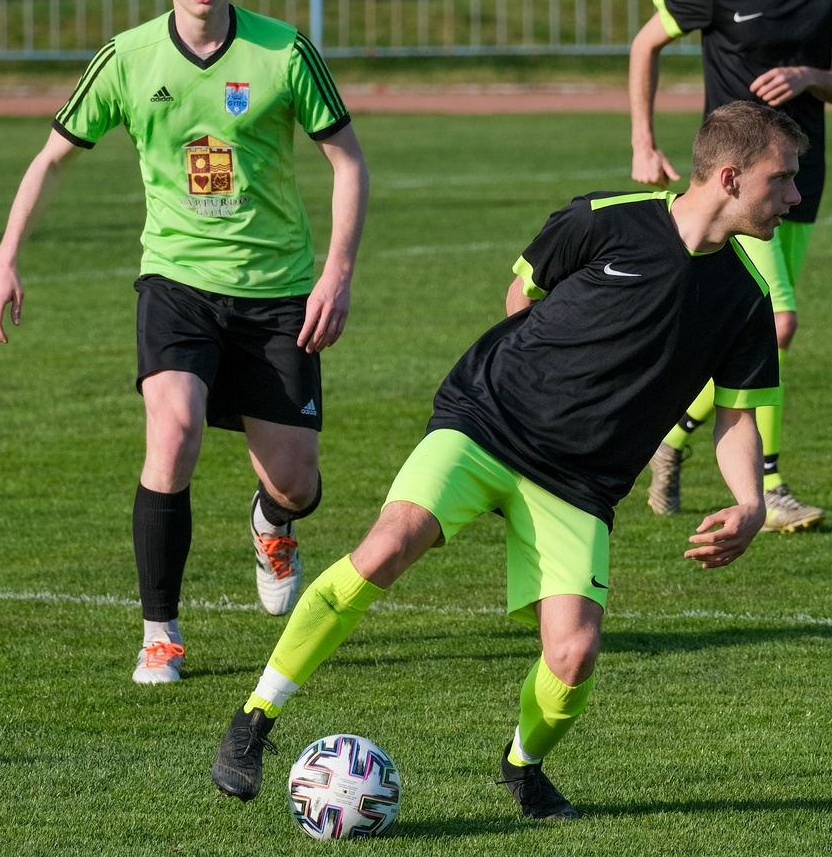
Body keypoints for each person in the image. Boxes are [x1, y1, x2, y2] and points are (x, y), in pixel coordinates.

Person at [209, 102, 800, 819]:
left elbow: (735, 414)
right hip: (485, 424)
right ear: (731, 177)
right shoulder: (604, 219)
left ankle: (523, 767)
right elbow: (523, 293)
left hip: (579, 484)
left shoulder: (744, 297)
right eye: (782, 179)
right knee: (386, 547)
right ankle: (255, 719)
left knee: (574, 654)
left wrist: (751, 502)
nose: (794, 195)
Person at [0, 0, 369, 684]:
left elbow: (348, 161)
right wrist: (5, 257)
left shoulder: (284, 51)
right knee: (174, 430)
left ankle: (273, 523)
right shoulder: (127, 58)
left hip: (278, 293)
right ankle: (160, 633)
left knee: (297, 482)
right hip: (177, 283)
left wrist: (336, 272)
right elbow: (51, 159)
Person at [629, 0, 832, 533]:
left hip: (798, 183)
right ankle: (770, 487)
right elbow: (646, 43)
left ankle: (673, 435)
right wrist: (644, 141)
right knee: (777, 324)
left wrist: (809, 76)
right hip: (732, 189)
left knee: (762, 332)